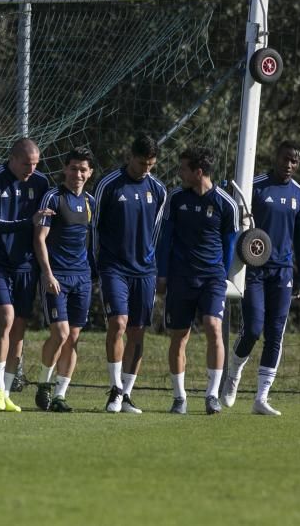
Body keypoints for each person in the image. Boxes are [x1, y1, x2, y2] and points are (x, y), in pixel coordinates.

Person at [222, 140, 300, 416]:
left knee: (275, 334)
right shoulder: (256, 186)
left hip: (282, 273)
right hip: (255, 270)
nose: (289, 164)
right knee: (254, 329)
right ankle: (233, 374)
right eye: (285, 159)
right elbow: (236, 222)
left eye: (294, 161)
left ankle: (261, 398)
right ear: (276, 157)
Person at [156, 146, 239, 415]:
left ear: (198, 172)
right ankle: (179, 397)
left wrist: (222, 276)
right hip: (181, 278)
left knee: (214, 326)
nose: (179, 172)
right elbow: (165, 238)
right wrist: (163, 273)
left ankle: (212, 394)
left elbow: (229, 245)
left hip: (212, 278)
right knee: (179, 338)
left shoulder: (226, 203)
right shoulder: (176, 198)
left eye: (183, 168)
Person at [93, 134, 167, 413]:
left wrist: (157, 268)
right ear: (129, 157)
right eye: (140, 163)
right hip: (114, 267)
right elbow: (94, 227)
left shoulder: (159, 190)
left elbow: (157, 234)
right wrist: (95, 262)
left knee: (138, 331)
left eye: (150, 164)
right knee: (118, 324)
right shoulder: (109, 184)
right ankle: (114, 390)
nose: (145, 169)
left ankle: (126, 394)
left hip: (145, 271)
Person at [0, 138, 52, 412]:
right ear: (12, 158)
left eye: (35, 164)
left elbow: (44, 227)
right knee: (5, 318)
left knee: (19, 327)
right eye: (26, 163)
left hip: (26, 265)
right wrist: (28, 222)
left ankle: (7, 392)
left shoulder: (42, 183)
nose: (31, 169)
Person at [33, 147, 96, 413]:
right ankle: (44, 385)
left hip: (82, 278)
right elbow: (39, 239)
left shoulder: (91, 202)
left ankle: (60, 394)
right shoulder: (53, 197)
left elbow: (90, 241)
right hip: (57, 276)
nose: (77, 174)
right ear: (65, 169)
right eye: (73, 168)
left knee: (73, 338)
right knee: (59, 333)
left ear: (90, 173)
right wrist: (48, 273)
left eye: (83, 170)